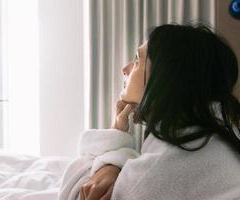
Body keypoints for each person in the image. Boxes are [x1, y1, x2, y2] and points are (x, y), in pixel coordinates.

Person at [58, 24, 240, 200]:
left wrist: (113, 143)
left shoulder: (168, 161)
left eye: (137, 60)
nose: (125, 69)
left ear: (167, 75)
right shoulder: (219, 131)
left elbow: (77, 194)